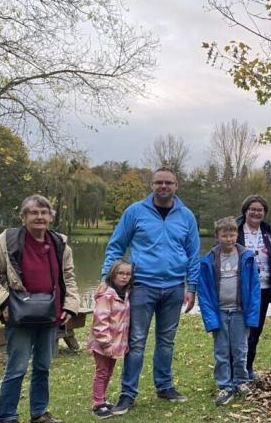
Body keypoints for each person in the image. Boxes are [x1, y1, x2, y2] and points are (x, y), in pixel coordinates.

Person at [102, 166, 200, 415]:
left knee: (166, 341)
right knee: (135, 341)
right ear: (152, 184)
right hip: (142, 286)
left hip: (175, 287)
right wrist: (109, 280)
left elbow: (193, 254)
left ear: (176, 185)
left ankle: (164, 387)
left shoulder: (186, 215)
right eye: (159, 182)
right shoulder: (135, 212)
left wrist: (192, 286)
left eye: (168, 183)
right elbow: (116, 246)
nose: (164, 187)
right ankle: (127, 393)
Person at [0, 195, 80, 423]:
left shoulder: (60, 243)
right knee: (16, 368)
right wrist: (4, 302)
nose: (39, 217)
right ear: (23, 217)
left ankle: (39, 414)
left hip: (50, 316)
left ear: (51, 217)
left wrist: (71, 306)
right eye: (33, 212)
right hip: (19, 316)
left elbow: (70, 279)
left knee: (43, 367)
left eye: (44, 212)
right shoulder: (9, 240)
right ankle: (7, 416)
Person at [197, 217, 261, 406]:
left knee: (240, 349)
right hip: (219, 312)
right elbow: (204, 292)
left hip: (240, 312)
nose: (229, 239)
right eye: (224, 235)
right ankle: (224, 385)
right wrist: (210, 319)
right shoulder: (208, 260)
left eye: (232, 235)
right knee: (221, 352)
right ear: (217, 236)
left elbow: (255, 290)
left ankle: (240, 381)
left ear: (237, 235)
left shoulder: (246, 257)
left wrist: (252, 315)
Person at [236, 195, 271, 380]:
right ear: (245, 211)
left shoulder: (270, 233)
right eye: (253, 209)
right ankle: (233, 370)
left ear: (264, 213)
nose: (256, 212)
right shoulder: (234, 229)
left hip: (264, 290)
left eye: (260, 210)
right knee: (238, 331)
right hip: (238, 290)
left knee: (255, 332)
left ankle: (248, 368)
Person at [88, 260, 133, 419]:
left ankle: (102, 399)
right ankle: (97, 404)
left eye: (128, 274)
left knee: (108, 372)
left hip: (115, 343)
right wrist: (105, 342)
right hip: (103, 343)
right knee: (101, 372)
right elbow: (100, 321)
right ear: (113, 274)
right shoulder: (107, 295)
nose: (124, 277)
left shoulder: (125, 293)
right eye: (121, 273)